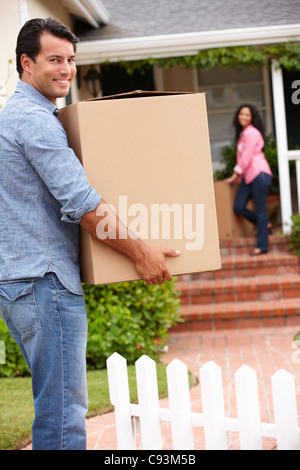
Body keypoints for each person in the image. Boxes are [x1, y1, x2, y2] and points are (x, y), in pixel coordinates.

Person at [0, 18, 180, 450]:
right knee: (63, 414)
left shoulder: (15, 116)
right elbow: (82, 203)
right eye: (54, 60)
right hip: (45, 282)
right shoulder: (35, 121)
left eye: (71, 60)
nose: (66, 69)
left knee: (54, 405)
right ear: (26, 63)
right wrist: (141, 252)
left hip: (20, 282)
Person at [225, 104, 272, 255]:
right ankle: (265, 224)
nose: (243, 117)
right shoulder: (244, 133)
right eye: (241, 114)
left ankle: (262, 246)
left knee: (260, 210)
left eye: (247, 115)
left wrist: (235, 174)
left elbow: (246, 157)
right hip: (248, 176)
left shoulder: (252, 133)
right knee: (238, 206)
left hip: (259, 174)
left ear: (252, 117)